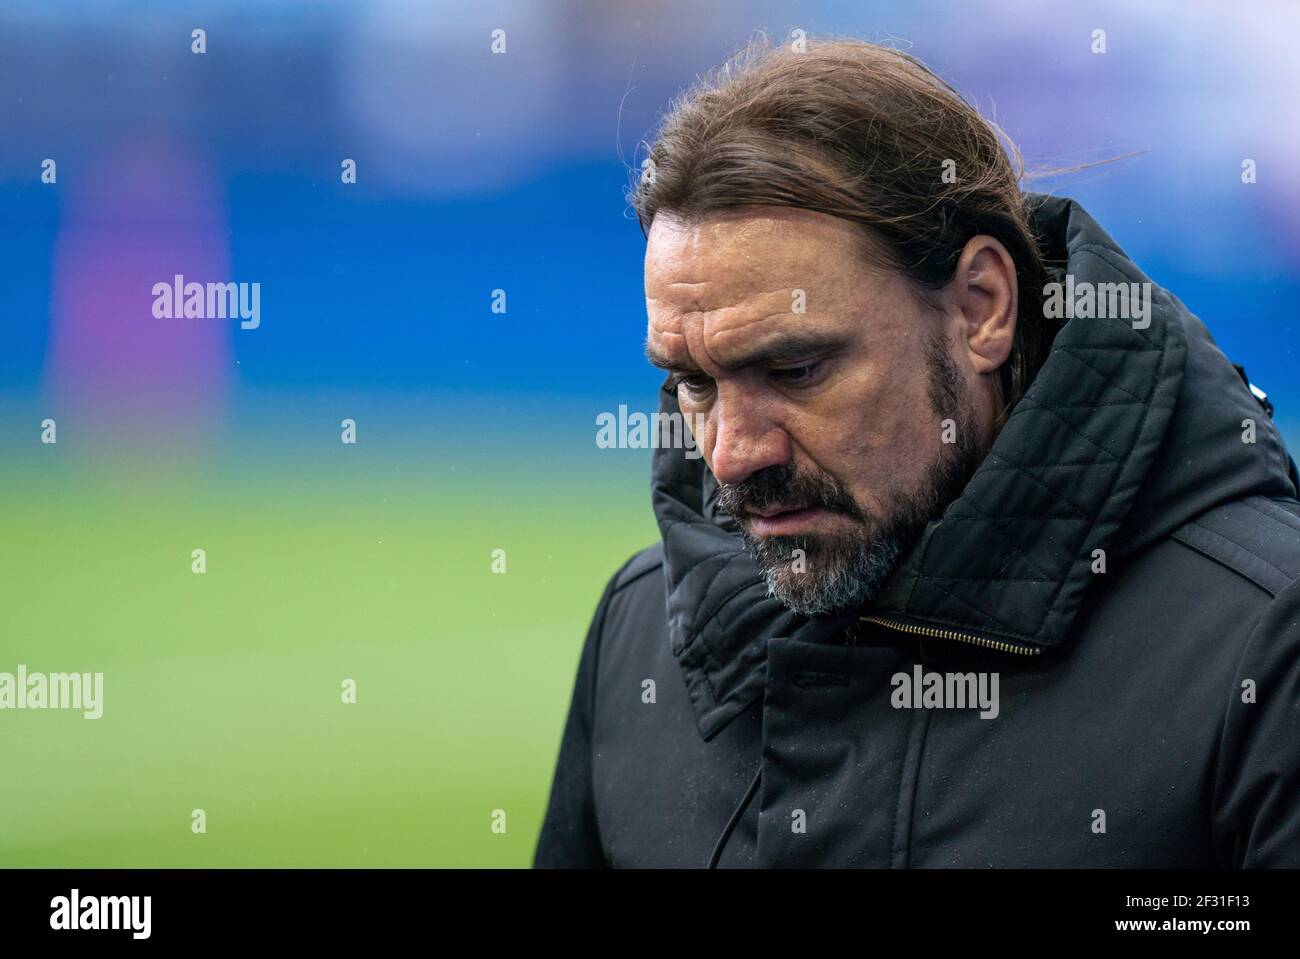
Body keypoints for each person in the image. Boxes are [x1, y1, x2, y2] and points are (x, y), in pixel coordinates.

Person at [534, 38, 1300, 867]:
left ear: (982, 308)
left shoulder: (1263, 647)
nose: (731, 456)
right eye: (694, 382)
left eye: (795, 368)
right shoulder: (638, 632)